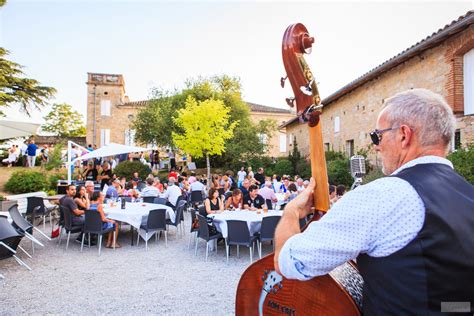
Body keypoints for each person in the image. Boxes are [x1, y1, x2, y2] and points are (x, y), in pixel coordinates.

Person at [274, 89, 474, 314]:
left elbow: (291, 261)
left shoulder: (384, 196)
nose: (375, 146)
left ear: (403, 135)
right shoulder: (468, 193)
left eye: (377, 135)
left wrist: (290, 213)